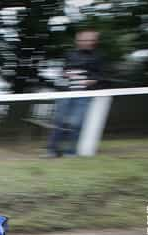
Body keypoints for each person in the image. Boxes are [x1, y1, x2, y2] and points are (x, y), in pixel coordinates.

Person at [45, 30, 103, 158]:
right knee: (59, 122)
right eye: (82, 40)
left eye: (89, 40)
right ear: (77, 41)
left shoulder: (98, 57)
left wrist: (90, 81)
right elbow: (63, 71)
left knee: (76, 123)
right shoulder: (69, 54)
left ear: (94, 41)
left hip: (84, 94)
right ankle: (52, 150)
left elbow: (100, 77)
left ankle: (71, 152)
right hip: (66, 92)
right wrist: (67, 74)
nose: (85, 42)